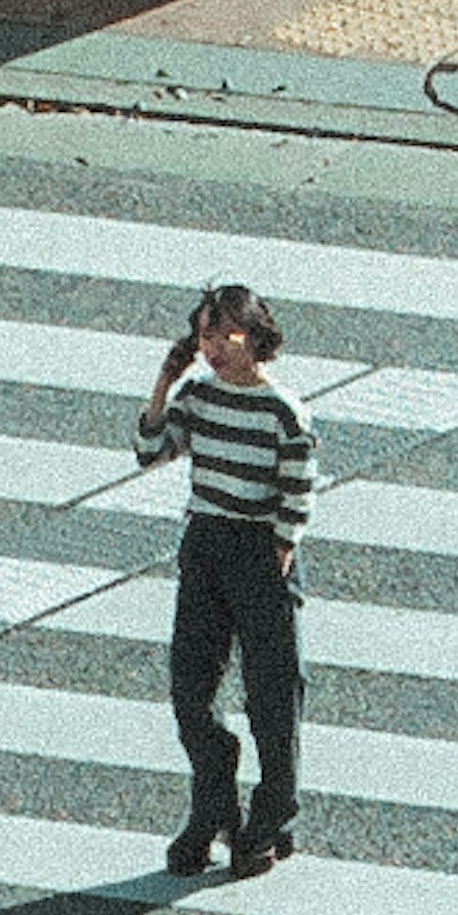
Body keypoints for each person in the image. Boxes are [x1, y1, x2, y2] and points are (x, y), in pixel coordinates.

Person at [136, 278, 312, 878]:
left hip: (261, 551)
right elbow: (151, 450)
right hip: (206, 544)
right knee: (190, 689)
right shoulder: (198, 397)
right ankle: (214, 798)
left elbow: (297, 488)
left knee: (272, 694)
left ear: (254, 336)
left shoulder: (282, 411)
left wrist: (282, 550)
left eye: (225, 335)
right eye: (205, 335)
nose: (213, 347)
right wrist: (164, 382)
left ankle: (271, 815)